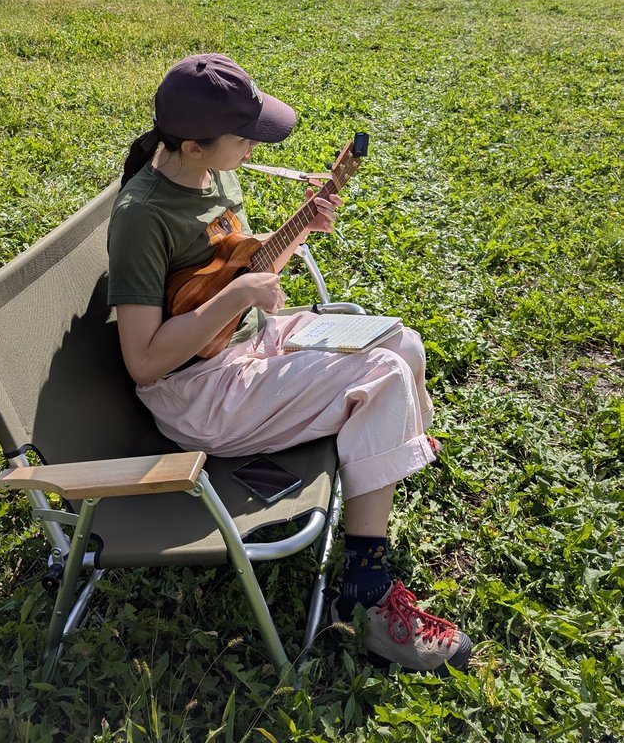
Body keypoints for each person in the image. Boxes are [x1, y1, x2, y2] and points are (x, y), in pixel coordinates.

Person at [108, 53, 472, 674]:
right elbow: (144, 362)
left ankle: (379, 471)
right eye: (244, 136)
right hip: (199, 392)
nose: (253, 146)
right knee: (383, 376)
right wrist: (240, 298)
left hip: (252, 343)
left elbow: (238, 269)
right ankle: (367, 591)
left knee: (404, 344)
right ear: (193, 145)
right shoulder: (142, 218)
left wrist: (303, 226)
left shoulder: (215, 175)